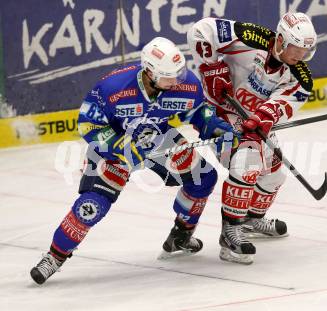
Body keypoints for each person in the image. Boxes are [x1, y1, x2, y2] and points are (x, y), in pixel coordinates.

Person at [30, 37, 238, 284]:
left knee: (204, 177)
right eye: (169, 77)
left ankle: (181, 234)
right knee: (92, 206)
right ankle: (55, 256)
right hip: (114, 148)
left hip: (159, 138)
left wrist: (213, 127)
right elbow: (88, 124)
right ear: (149, 72)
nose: (176, 82)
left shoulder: (185, 84)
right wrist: (121, 148)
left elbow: (197, 112)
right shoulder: (113, 88)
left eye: (178, 74)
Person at [187, 12, 317, 264]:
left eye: (305, 50)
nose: (300, 56)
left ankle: (249, 220)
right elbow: (201, 30)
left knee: (275, 174)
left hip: (251, 120)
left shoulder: (300, 77)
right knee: (247, 163)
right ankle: (230, 234)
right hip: (217, 114)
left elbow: (281, 105)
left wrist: (263, 117)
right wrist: (211, 67)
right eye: (296, 48)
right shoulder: (249, 36)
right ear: (280, 39)